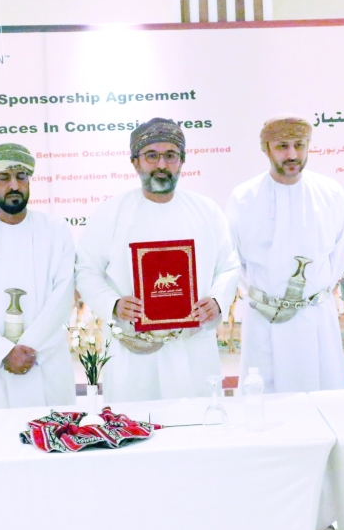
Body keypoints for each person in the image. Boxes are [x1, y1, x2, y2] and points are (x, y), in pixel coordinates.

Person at [75, 118, 239, 401]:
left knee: (196, 425)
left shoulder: (206, 211)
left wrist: (216, 301)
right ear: (135, 162)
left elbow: (229, 266)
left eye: (170, 156)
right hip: (134, 349)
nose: (161, 165)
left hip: (191, 347)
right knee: (136, 428)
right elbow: (86, 271)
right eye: (152, 156)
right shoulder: (111, 213)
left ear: (181, 162)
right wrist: (113, 304)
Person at [226, 116, 344, 393]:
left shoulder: (330, 193)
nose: (292, 154)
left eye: (300, 145)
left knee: (326, 401)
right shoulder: (243, 197)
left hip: (316, 318)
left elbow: (341, 256)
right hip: (264, 320)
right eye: (283, 145)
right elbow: (234, 261)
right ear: (267, 149)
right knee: (266, 404)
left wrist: (310, 297)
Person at [0, 143, 76, 409]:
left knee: (55, 438)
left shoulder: (56, 230)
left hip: (47, 361)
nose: (14, 186)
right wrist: (3, 352)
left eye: (21, 177)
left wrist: (28, 348)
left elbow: (63, 295)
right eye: (4, 178)